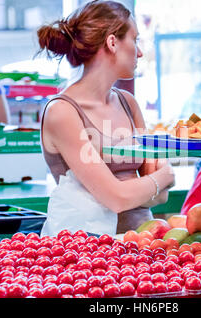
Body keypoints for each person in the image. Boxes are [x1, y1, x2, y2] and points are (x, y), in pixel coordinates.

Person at [37, 0, 175, 236]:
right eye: (135, 39)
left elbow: (162, 196)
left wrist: (143, 189)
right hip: (87, 253)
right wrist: (165, 175)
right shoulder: (62, 112)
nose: (140, 52)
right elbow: (117, 199)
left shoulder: (128, 103)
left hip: (141, 245)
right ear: (112, 42)